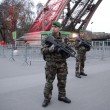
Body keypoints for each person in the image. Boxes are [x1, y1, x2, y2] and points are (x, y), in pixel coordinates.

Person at [41, 21, 71, 107]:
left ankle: (62, 96)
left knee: (62, 81)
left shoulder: (65, 39)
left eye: (55, 26)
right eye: (52, 26)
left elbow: (69, 53)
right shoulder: (47, 38)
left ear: (59, 28)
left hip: (62, 64)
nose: (53, 28)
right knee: (49, 82)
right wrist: (50, 49)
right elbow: (42, 51)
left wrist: (66, 49)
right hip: (51, 64)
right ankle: (47, 98)